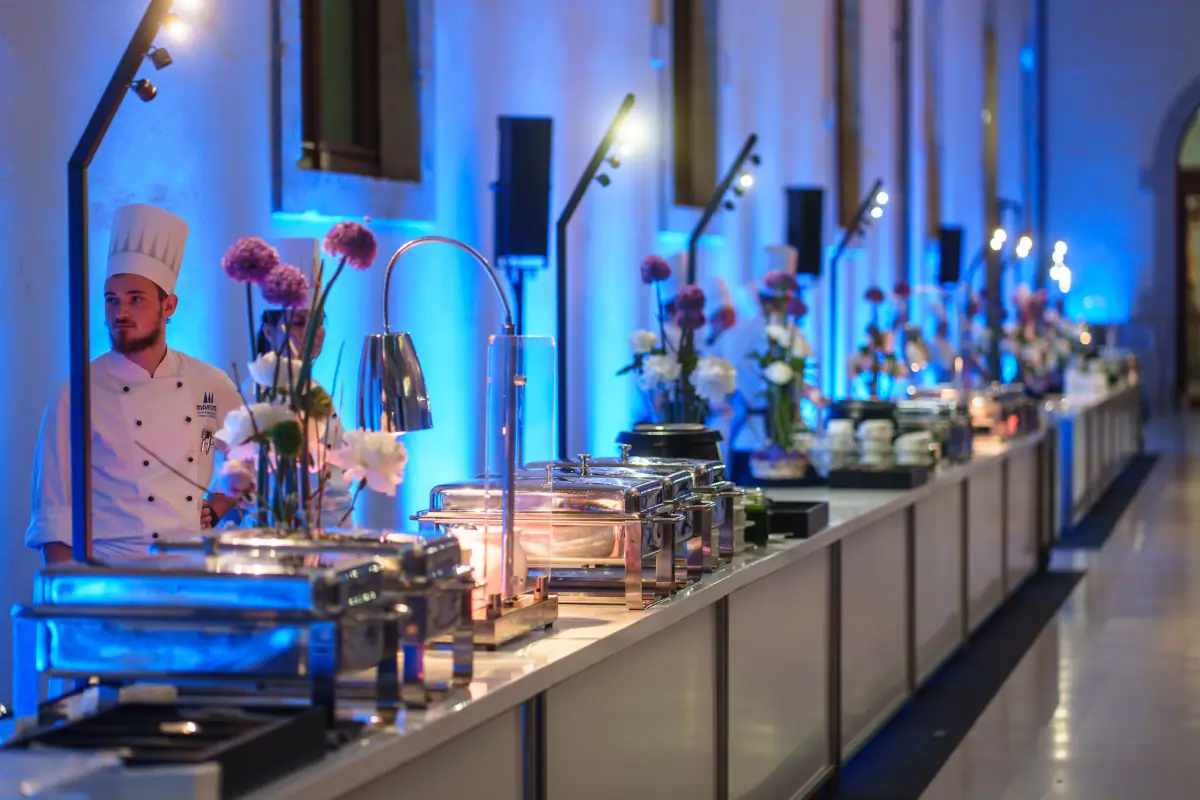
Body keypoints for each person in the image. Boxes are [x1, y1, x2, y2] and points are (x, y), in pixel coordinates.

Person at [26, 203, 244, 565]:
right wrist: (71, 591)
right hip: (114, 573)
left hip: (193, 570)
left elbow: (252, 454)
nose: (120, 313)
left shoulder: (208, 384)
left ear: (168, 306)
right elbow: (55, 511)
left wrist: (219, 503)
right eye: (112, 300)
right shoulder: (76, 393)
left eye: (135, 300)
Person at [239, 238, 353, 528]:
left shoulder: (316, 391)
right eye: (301, 322)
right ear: (269, 331)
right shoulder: (256, 395)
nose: (316, 331)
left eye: (320, 321)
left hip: (331, 532)